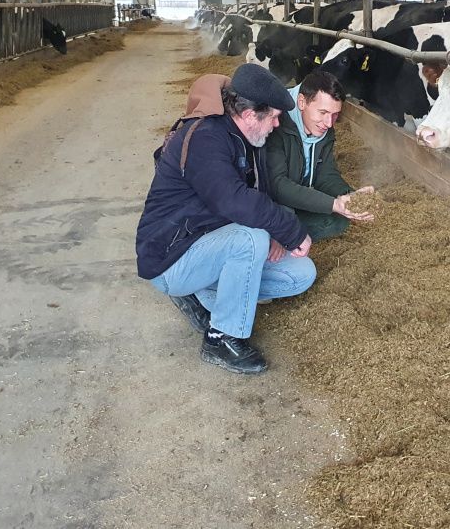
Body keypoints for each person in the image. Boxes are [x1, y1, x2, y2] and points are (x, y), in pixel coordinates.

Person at [135, 64, 316, 375]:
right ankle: (221, 338)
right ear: (248, 115)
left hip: (211, 243)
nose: (276, 124)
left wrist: (276, 233)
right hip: (171, 256)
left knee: (301, 274)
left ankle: (203, 294)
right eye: (273, 117)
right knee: (250, 240)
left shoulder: (247, 136)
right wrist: (288, 230)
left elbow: (261, 193)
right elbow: (232, 200)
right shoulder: (205, 138)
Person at [265, 70, 374, 241]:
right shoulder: (275, 123)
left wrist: (350, 197)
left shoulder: (324, 128)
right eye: (323, 113)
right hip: (268, 204)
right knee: (287, 217)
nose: (329, 123)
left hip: (296, 196)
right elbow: (277, 185)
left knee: (339, 221)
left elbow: (325, 173)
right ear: (302, 102)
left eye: (335, 115)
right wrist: (332, 204)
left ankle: (292, 236)